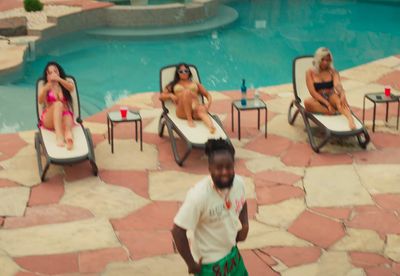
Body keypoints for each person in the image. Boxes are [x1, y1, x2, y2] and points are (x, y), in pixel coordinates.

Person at [172, 138, 249, 275]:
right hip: (210, 265)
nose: (224, 172)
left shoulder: (239, 184)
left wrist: (245, 224)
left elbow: (242, 202)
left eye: (229, 167)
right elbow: (178, 231)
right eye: (219, 168)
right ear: (209, 168)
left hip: (233, 256)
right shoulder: (198, 196)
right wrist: (191, 264)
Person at [304, 47, 356, 130]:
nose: (325, 62)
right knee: (307, 103)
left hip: (331, 95)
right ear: (318, 59)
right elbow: (313, 92)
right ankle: (334, 111)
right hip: (318, 98)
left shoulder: (333, 71)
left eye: (328, 60)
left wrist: (342, 93)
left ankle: (350, 119)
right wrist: (327, 104)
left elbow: (337, 85)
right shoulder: (310, 72)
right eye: (323, 59)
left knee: (340, 101)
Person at [159, 63, 216, 133]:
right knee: (186, 92)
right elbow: (161, 97)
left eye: (186, 71)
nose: (184, 73)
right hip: (182, 112)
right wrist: (170, 95)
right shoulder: (173, 85)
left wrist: (208, 104)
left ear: (189, 72)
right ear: (178, 73)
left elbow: (207, 95)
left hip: (195, 110)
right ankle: (190, 120)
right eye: (181, 71)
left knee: (201, 110)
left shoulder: (196, 84)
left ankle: (211, 127)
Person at [38, 62, 75, 150]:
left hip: (63, 117)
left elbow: (71, 88)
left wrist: (59, 79)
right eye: (50, 72)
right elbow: (40, 101)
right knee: (58, 104)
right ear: (47, 75)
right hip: (49, 120)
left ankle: (68, 137)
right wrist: (46, 88)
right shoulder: (45, 86)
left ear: (59, 72)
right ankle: (59, 136)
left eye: (55, 71)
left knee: (68, 116)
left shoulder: (64, 84)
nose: (53, 74)